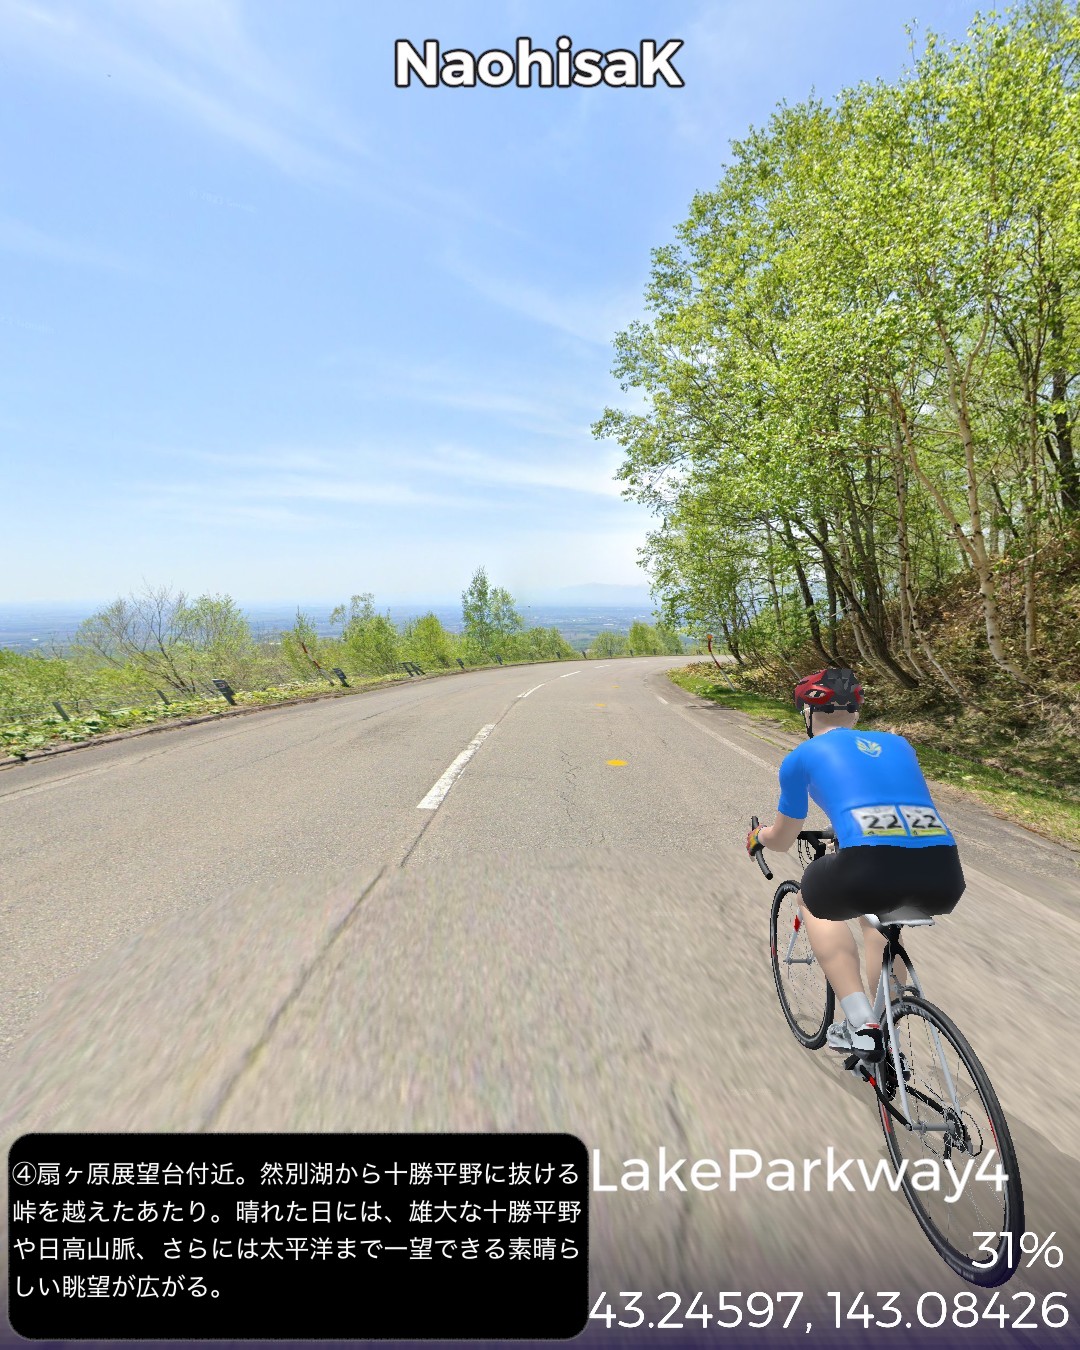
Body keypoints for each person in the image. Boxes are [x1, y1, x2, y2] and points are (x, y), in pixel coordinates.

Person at [747, 667, 965, 1060]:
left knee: (812, 901)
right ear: (856, 713)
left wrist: (757, 836)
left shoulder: (801, 756)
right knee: (878, 916)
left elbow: (782, 839)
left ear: (808, 714)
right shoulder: (899, 745)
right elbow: (885, 798)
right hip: (944, 870)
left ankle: (861, 1024)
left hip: (868, 864)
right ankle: (891, 1019)